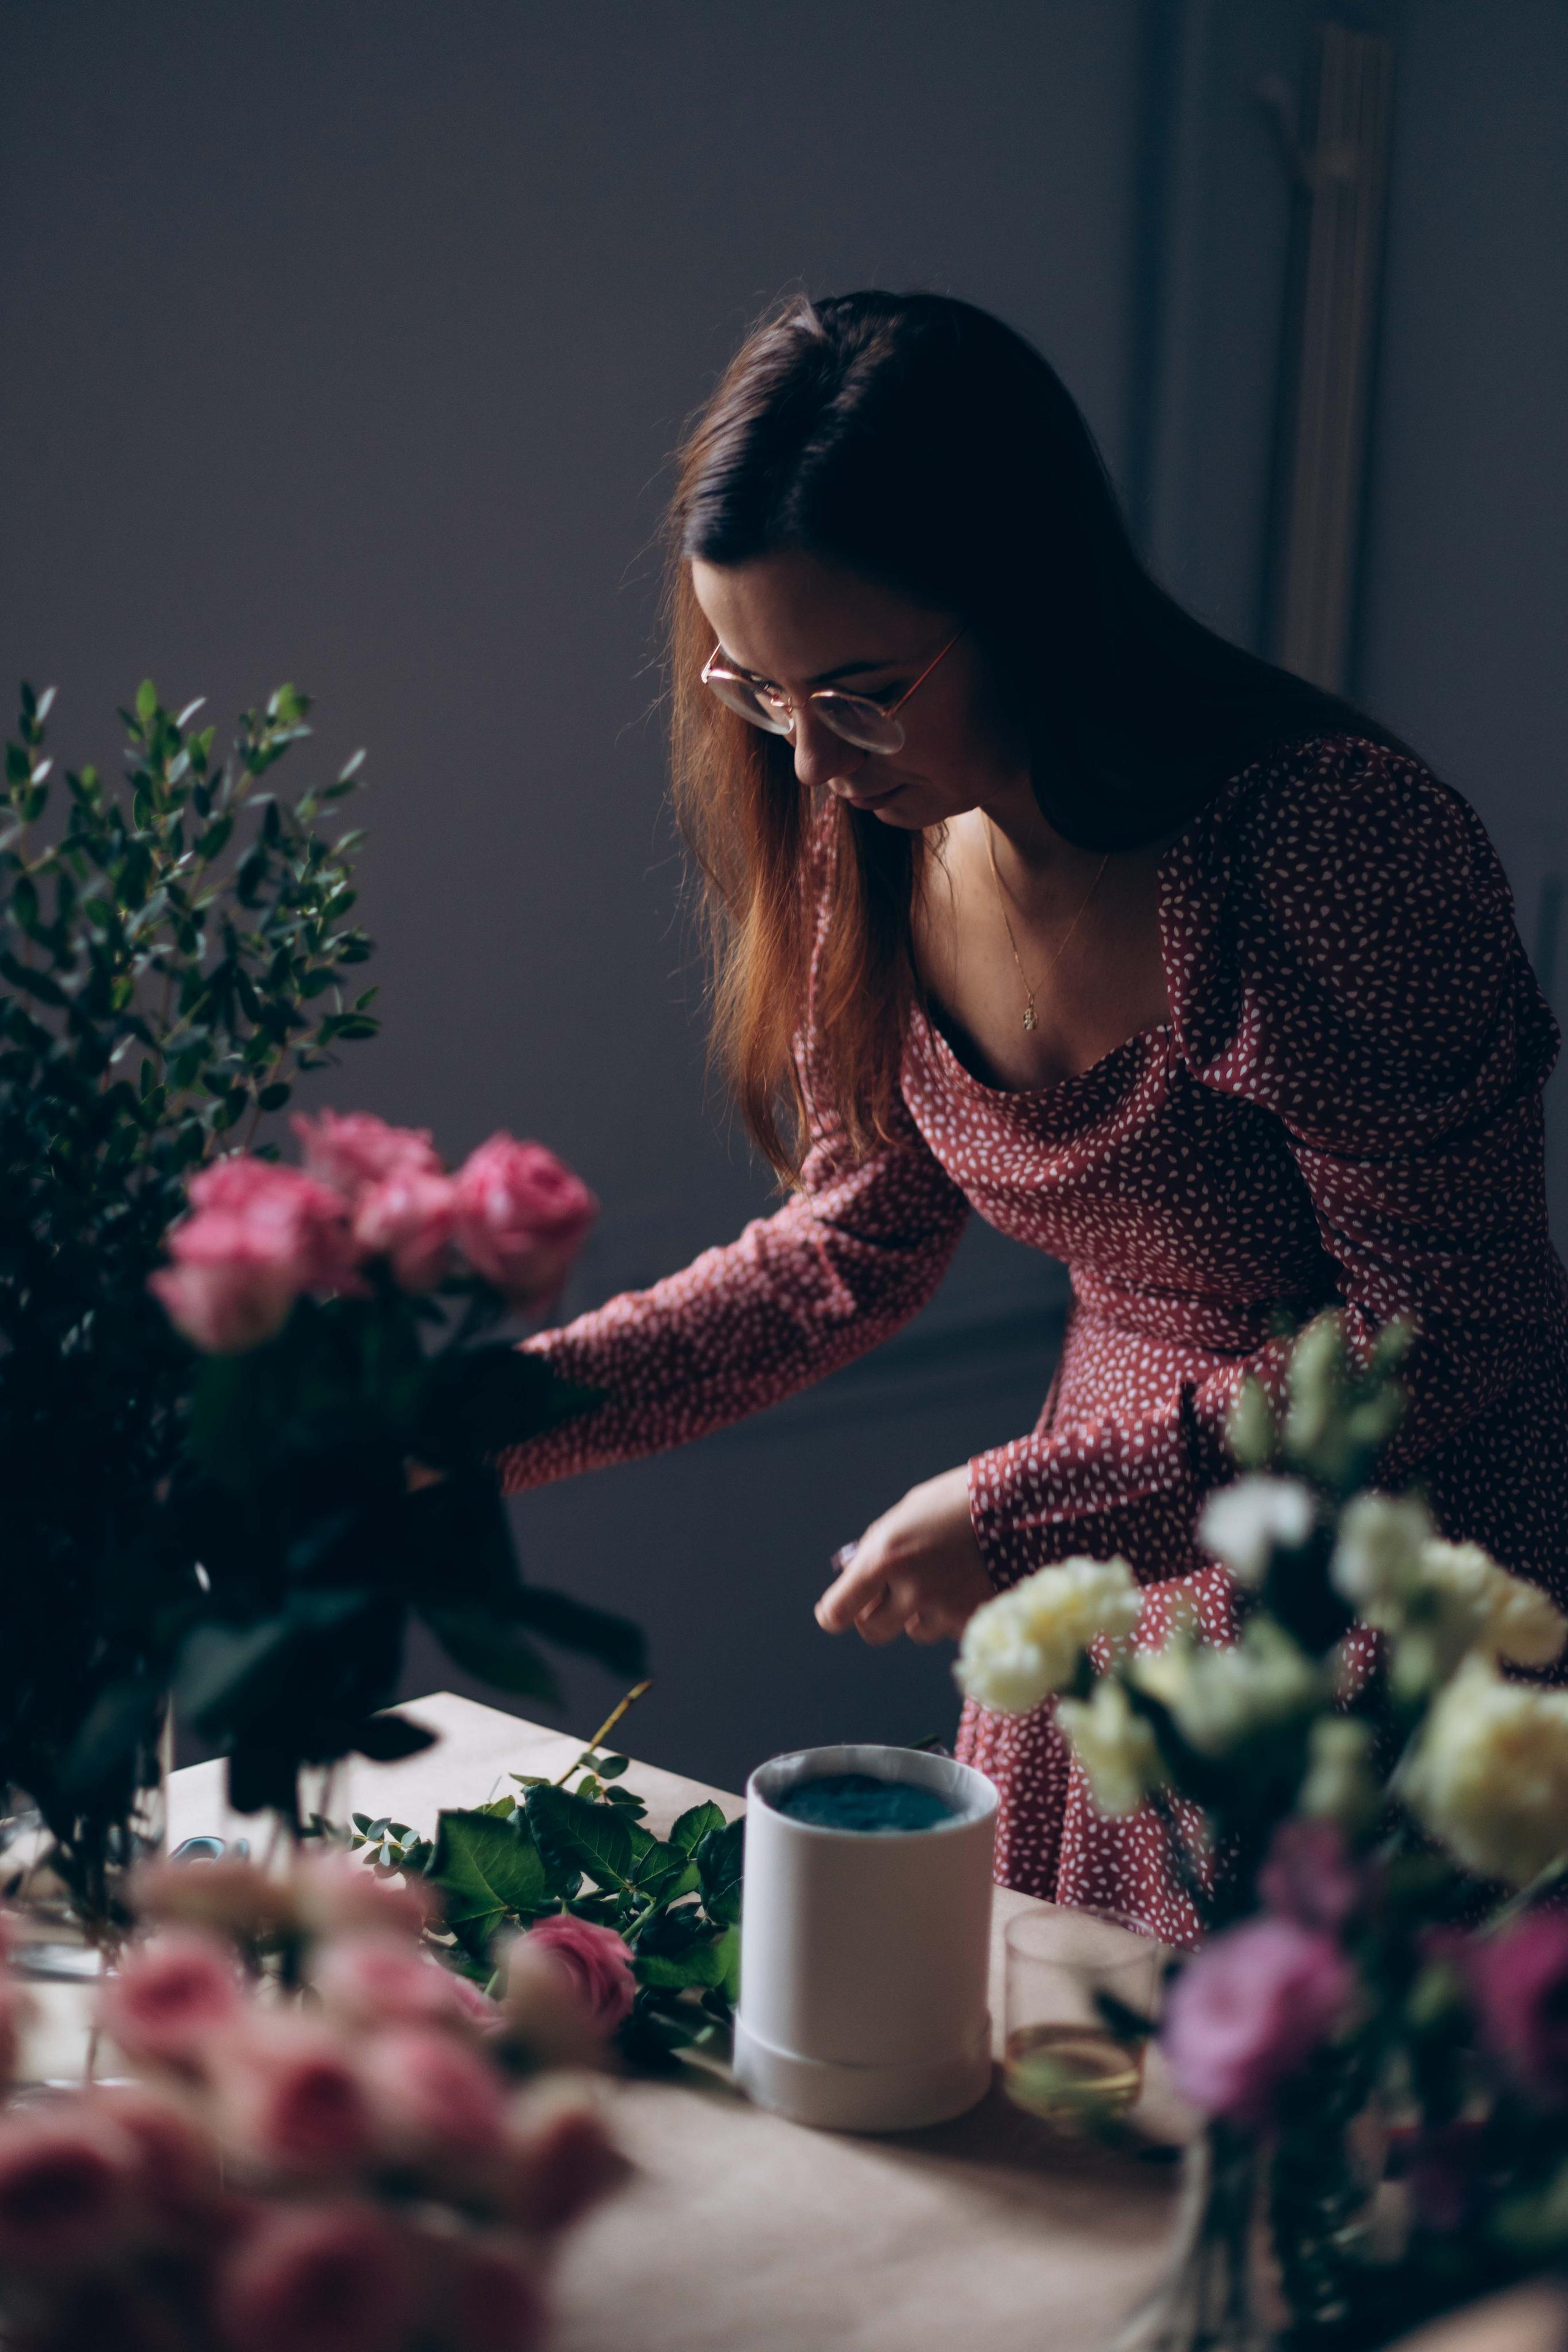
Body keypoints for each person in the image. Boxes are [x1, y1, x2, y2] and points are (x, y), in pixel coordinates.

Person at [498, 290, 1568, 1939]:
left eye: (857, 690)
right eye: (759, 693)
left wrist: (1023, 1512)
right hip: (1099, 1596)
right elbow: (846, 1252)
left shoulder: (1323, 850)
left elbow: (1451, 1325)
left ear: (1029, 605)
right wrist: (478, 1425)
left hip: (1388, 1584)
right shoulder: (871, 832)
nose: (813, 762)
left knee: (1308, 2138)